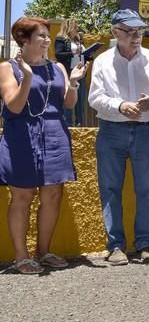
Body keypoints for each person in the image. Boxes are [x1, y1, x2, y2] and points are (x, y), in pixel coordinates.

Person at [0, 16, 88, 274]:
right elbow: (14, 106)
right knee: (23, 196)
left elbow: (69, 103)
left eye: (48, 36)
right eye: (41, 36)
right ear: (24, 40)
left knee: (52, 194)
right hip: (21, 133)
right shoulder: (7, 68)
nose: (47, 40)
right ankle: (21, 256)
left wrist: (72, 82)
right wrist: (27, 77)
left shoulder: (57, 68)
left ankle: (44, 251)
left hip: (54, 131)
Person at [88, 9, 149, 265]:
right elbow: (95, 98)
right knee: (110, 189)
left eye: (139, 31)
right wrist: (120, 105)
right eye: (129, 32)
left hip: (146, 131)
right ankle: (116, 246)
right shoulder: (102, 61)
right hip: (111, 131)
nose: (135, 37)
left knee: (146, 189)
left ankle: (145, 245)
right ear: (115, 33)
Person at [54, 19, 86, 126]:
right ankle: (67, 124)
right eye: (75, 26)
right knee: (69, 98)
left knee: (80, 100)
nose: (77, 29)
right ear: (69, 27)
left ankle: (79, 123)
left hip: (79, 73)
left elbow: (83, 55)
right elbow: (58, 55)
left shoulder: (79, 41)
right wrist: (73, 52)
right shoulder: (61, 39)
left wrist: (88, 54)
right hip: (68, 72)